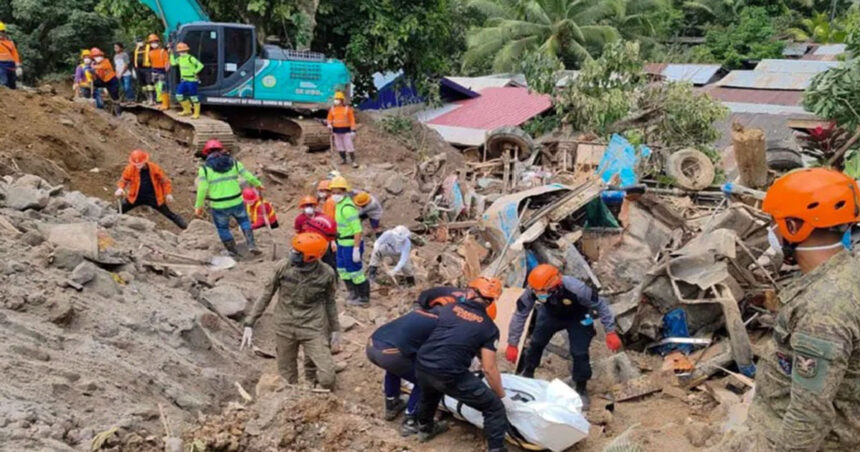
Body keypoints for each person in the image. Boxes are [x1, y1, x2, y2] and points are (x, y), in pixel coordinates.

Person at [742, 168, 860, 451]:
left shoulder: (824, 310)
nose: (771, 231)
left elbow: (809, 415)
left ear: (794, 227)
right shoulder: (846, 273)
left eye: (774, 223)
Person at [505, 264, 621, 410]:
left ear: (554, 285)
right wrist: (512, 343)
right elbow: (520, 315)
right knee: (536, 343)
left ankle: (581, 387)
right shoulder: (533, 290)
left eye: (541, 291)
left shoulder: (577, 288)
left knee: (580, 352)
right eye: (535, 290)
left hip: (578, 317)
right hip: (550, 314)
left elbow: (600, 305)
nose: (536, 293)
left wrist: (610, 331)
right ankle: (528, 372)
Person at [414, 277, 509, 450]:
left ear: (472, 293)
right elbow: (489, 368)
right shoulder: (489, 328)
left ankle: (425, 429)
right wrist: (501, 395)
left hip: (423, 363)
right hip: (449, 373)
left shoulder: (448, 308)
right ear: (490, 301)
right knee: (494, 408)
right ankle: (496, 449)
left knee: (430, 394)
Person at [242, 232, 341, 390]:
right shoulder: (283, 267)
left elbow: (330, 302)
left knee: (327, 379)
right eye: (294, 250)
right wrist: (250, 322)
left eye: (298, 252)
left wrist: (335, 329)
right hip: (285, 326)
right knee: (287, 379)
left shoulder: (326, 274)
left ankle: (311, 378)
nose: (292, 254)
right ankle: (293, 398)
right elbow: (266, 295)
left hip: (312, 326)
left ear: (311, 256)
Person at [367, 305, 440, 436]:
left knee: (396, 369)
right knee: (424, 380)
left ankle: (392, 403)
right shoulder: (439, 324)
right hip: (390, 354)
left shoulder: (416, 314)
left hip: (372, 345)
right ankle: (411, 420)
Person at [194, 139, 264, 256]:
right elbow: (248, 176)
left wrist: (198, 206)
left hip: (218, 205)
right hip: (236, 201)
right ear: (222, 150)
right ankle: (251, 245)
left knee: (223, 228)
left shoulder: (204, 169)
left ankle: (233, 252)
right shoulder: (234, 163)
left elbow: (202, 189)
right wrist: (258, 185)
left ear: (206, 153)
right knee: (244, 221)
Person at [115, 150, 187, 229]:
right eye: (136, 164)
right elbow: (123, 180)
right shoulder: (130, 169)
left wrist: (168, 193)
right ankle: (111, 220)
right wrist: (120, 188)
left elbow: (165, 181)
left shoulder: (154, 168)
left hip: (154, 197)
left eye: (140, 164)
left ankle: (185, 227)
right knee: (119, 209)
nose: (137, 166)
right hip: (136, 196)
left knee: (168, 213)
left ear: (145, 161)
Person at [331, 176, 370, 306]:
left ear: (344, 192)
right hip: (341, 243)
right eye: (334, 193)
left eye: (338, 193)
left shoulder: (347, 208)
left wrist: (356, 249)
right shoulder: (339, 205)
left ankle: (364, 297)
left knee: (355, 271)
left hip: (351, 244)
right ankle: (353, 293)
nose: (335, 195)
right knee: (342, 269)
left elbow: (357, 230)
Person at [170, 42, 203, 118]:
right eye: (180, 51)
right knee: (179, 95)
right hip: (184, 80)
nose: (182, 53)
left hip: (192, 80)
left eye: (183, 51)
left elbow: (200, 65)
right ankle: (187, 110)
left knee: (193, 97)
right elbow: (173, 63)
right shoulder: (180, 59)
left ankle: (196, 113)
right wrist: (171, 54)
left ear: (186, 51)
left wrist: (195, 71)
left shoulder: (190, 58)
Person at [326, 91, 358, 167]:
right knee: (339, 146)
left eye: (337, 99)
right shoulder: (332, 109)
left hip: (346, 131)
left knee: (349, 146)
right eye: (335, 99)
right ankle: (344, 160)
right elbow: (329, 119)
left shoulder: (347, 109)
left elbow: (352, 120)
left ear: (341, 100)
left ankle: (353, 161)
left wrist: (353, 130)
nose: (336, 100)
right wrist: (329, 124)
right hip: (336, 131)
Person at [90, 48, 122, 115]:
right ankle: (98, 98)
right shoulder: (96, 65)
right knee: (94, 84)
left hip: (112, 80)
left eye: (98, 56)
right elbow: (97, 75)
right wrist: (93, 72)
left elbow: (102, 67)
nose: (97, 58)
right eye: (95, 57)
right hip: (105, 81)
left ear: (101, 56)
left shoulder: (106, 61)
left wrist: (94, 67)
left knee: (115, 96)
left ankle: (118, 112)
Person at [147, 34, 170, 110]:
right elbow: (150, 62)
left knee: (162, 87)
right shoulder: (150, 53)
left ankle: (165, 103)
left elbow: (167, 62)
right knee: (157, 87)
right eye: (152, 42)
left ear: (158, 42)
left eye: (155, 41)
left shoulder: (163, 51)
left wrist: (167, 69)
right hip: (154, 70)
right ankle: (160, 102)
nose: (153, 43)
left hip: (162, 70)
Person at [0, 22, 22, 89]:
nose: (1, 33)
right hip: (1, 66)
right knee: (4, 84)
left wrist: (18, 66)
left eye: (2, 31)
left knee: (12, 85)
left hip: (11, 66)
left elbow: (15, 54)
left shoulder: (10, 43)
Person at [133, 36, 152, 103]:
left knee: (149, 83)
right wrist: (134, 69)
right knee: (143, 85)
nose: (140, 42)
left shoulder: (149, 47)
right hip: (138, 69)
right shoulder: (136, 49)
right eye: (138, 41)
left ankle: (151, 99)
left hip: (147, 68)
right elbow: (134, 59)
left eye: (141, 41)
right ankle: (147, 98)